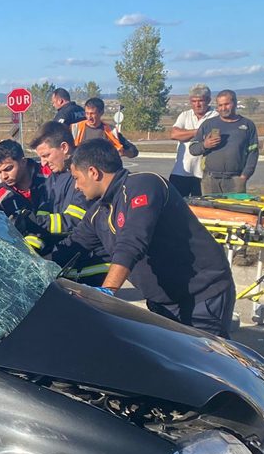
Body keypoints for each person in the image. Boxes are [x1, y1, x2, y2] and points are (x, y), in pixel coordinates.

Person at [51, 140, 236, 337]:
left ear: (93, 172)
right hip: (163, 303)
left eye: (77, 178)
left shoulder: (144, 185)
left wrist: (106, 293)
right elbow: (72, 246)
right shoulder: (100, 212)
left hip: (201, 296)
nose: (76, 187)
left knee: (205, 363)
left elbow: (132, 242)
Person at [26, 121, 109, 284]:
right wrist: (28, 248)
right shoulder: (52, 179)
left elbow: (75, 220)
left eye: (46, 155)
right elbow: (43, 219)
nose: (42, 163)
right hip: (69, 262)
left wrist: (34, 221)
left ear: (64, 148)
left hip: (92, 265)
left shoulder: (84, 175)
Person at [195, 90, 260, 195]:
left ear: (234, 103)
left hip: (235, 180)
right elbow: (193, 149)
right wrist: (205, 145)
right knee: (210, 211)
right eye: (220, 105)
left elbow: (253, 153)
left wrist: (244, 176)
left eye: (226, 104)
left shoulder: (247, 125)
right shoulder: (208, 124)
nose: (223, 108)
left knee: (233, 211)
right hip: (210, 180)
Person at [167, 84, 217, 197]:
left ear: (208, 100)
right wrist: (199, 132)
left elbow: (213, 139)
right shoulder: (185, 115)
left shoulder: (216, 116)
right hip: (181, 171)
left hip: (203, 174)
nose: (197, 105)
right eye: (193, 101)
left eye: (200, 101)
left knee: (202, 208)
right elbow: (174, 134)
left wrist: (186, 133)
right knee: (174, 206)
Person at [71, 98, 139, 158]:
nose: (89, 117)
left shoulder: (111, 131)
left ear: (101, 113)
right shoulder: (75, 129)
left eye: (92, 114)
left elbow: (133, 151)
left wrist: (123, 152)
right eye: (87, 113)